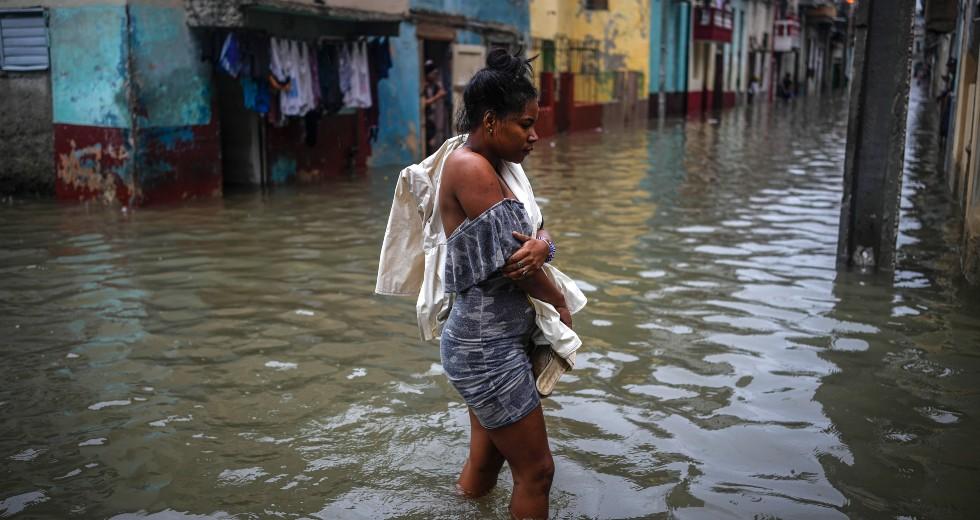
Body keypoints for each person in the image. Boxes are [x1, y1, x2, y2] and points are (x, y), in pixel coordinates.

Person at [437, 48, 571, 519]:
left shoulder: (502, 164)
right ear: (491, 121)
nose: (535, 136)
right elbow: (518, 263)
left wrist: (544, 247)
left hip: (493, 339)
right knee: (538, 472)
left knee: (488, 461)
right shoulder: (471, 167)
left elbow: (537, 231)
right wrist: (560, 305)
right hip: (486, 345)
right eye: (525, 124)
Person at [422, 59, 447, 156]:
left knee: (434, 141)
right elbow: (424, 103)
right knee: (429, 142)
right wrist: (438, 96)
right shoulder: (423, 86)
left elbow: (442, 91)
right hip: (425, 118)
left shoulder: (434, 85)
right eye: (433, 74)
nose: (435, 76)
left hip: (432, 119)